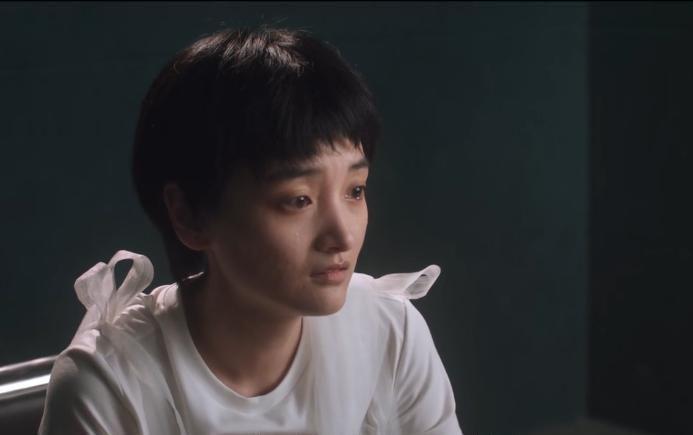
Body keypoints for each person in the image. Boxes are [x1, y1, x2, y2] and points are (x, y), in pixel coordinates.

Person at [38, 26, 462, 434]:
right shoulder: (110, 385)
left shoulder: (389, 332)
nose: (343, 237)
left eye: (355, 190)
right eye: (299, 199)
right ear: (190, 215)